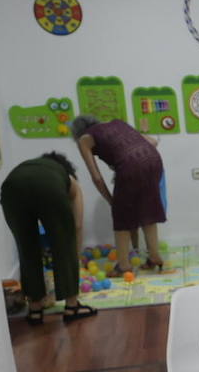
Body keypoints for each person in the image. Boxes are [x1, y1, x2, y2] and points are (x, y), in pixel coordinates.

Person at [0, 152, 97, 324]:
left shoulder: (27, 166)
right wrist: (75, 258)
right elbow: (77, 225)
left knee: (26, 248)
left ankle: (35, 309)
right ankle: (72, 307)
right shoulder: (68, 179)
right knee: (64, 243)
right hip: (48, 189)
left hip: (11, 188)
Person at [70, 114, 167, 275]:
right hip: (154, 161)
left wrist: (111, 200)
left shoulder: (84, 139)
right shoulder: (118, 123)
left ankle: (123, 265)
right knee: (148, 208)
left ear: (77, 133)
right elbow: (153, 142)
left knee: (121, 215)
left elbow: (97, 177)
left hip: (130, 166)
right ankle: (155, 256)